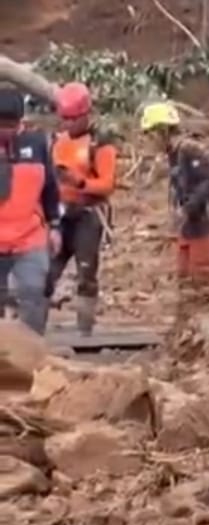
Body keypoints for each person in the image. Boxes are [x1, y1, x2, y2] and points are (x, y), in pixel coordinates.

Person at [139, 101, 209, 331]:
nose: (149, 140)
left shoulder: (190, 151)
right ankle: (185, 334)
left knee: (201, 284)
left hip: (205, 226)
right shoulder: (174, 155)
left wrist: (186, 209)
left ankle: (204, 338)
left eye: (151, 135)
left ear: (163, 131)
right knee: (185, 283)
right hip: (190, 227)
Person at [47, 82, 118, 336]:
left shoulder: (99, 142)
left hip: (88, 214)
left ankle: (84, 329)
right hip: (62, 214)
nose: (67, 125)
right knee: (48, 269)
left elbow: (107, 184)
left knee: (86, 272)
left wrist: (80, 182)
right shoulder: (57, 140)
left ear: (85, 115)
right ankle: (34, 326)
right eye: (64, 119)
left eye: (72, 119)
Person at [0, 86, 60, 335]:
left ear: (20, 122)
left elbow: (50, 188)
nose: (4, 130)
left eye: (9, 125)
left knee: (33, 295)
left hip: (29, 238)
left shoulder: (36, 144)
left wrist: (55, 225)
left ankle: (33, 359)